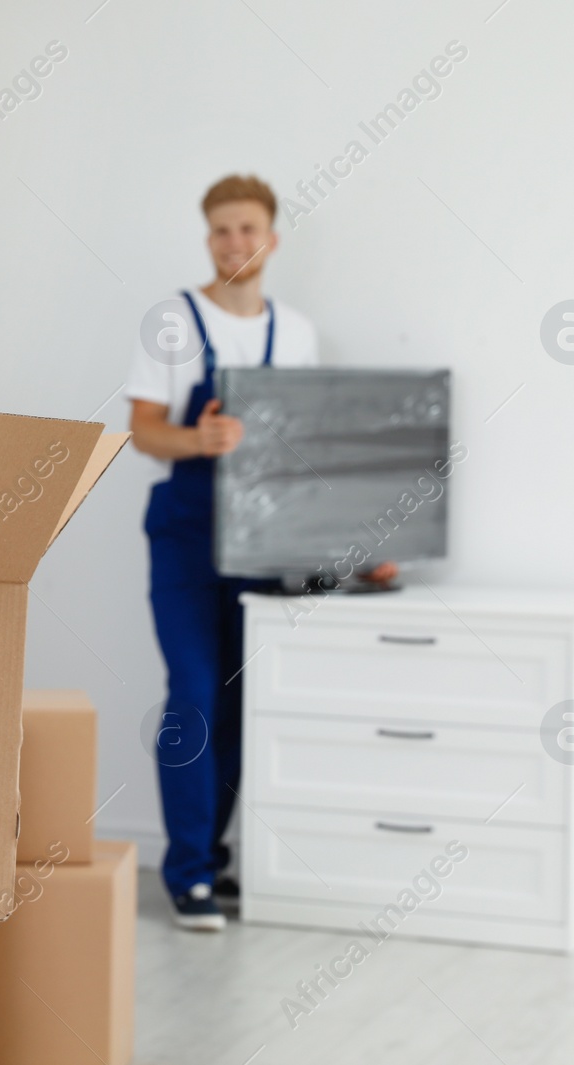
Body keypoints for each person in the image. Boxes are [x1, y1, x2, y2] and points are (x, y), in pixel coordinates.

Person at [125, 175, 391, 931]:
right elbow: (144, 430)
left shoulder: (297, 333)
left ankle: (213, 861)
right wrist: (198, 438)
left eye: (247, 229)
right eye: (220, 231)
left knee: (246, 703)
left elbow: (304, 452)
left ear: (271, 238)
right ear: (207, 238)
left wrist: (354, 551)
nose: (234, 243)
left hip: (267, 535)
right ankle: (188, 874)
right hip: (184, 533)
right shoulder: (172, 321)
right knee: (195, 695)